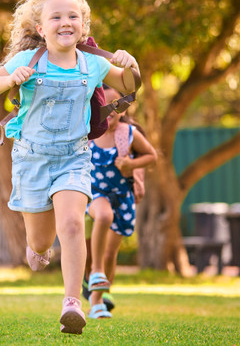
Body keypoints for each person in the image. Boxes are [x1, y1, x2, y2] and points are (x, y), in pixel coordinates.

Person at [0, 0, 139, 334]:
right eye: (56, 17)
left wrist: (130, 65)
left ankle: (72, 304)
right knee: (39, 242)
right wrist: (9, 78)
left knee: (73, 225)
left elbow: (127, 85)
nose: (66, 22)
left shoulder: (93, 63)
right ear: (39, 27)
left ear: (83, 24)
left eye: (73, 16)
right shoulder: (29, 61)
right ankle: (38, 249)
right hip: (32, 160)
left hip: (74, 158)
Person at [85, 86, 156, 319]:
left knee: (110, 255)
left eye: (117, 104)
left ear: (124, 110)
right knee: (104, 216)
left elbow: (151, 156)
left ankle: (99, 300)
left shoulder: (128, 134)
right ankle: (95, 277)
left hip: (122, 197)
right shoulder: (89, 132)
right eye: (105, 103)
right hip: (96, 194)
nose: (111, 108)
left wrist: (131, 165)